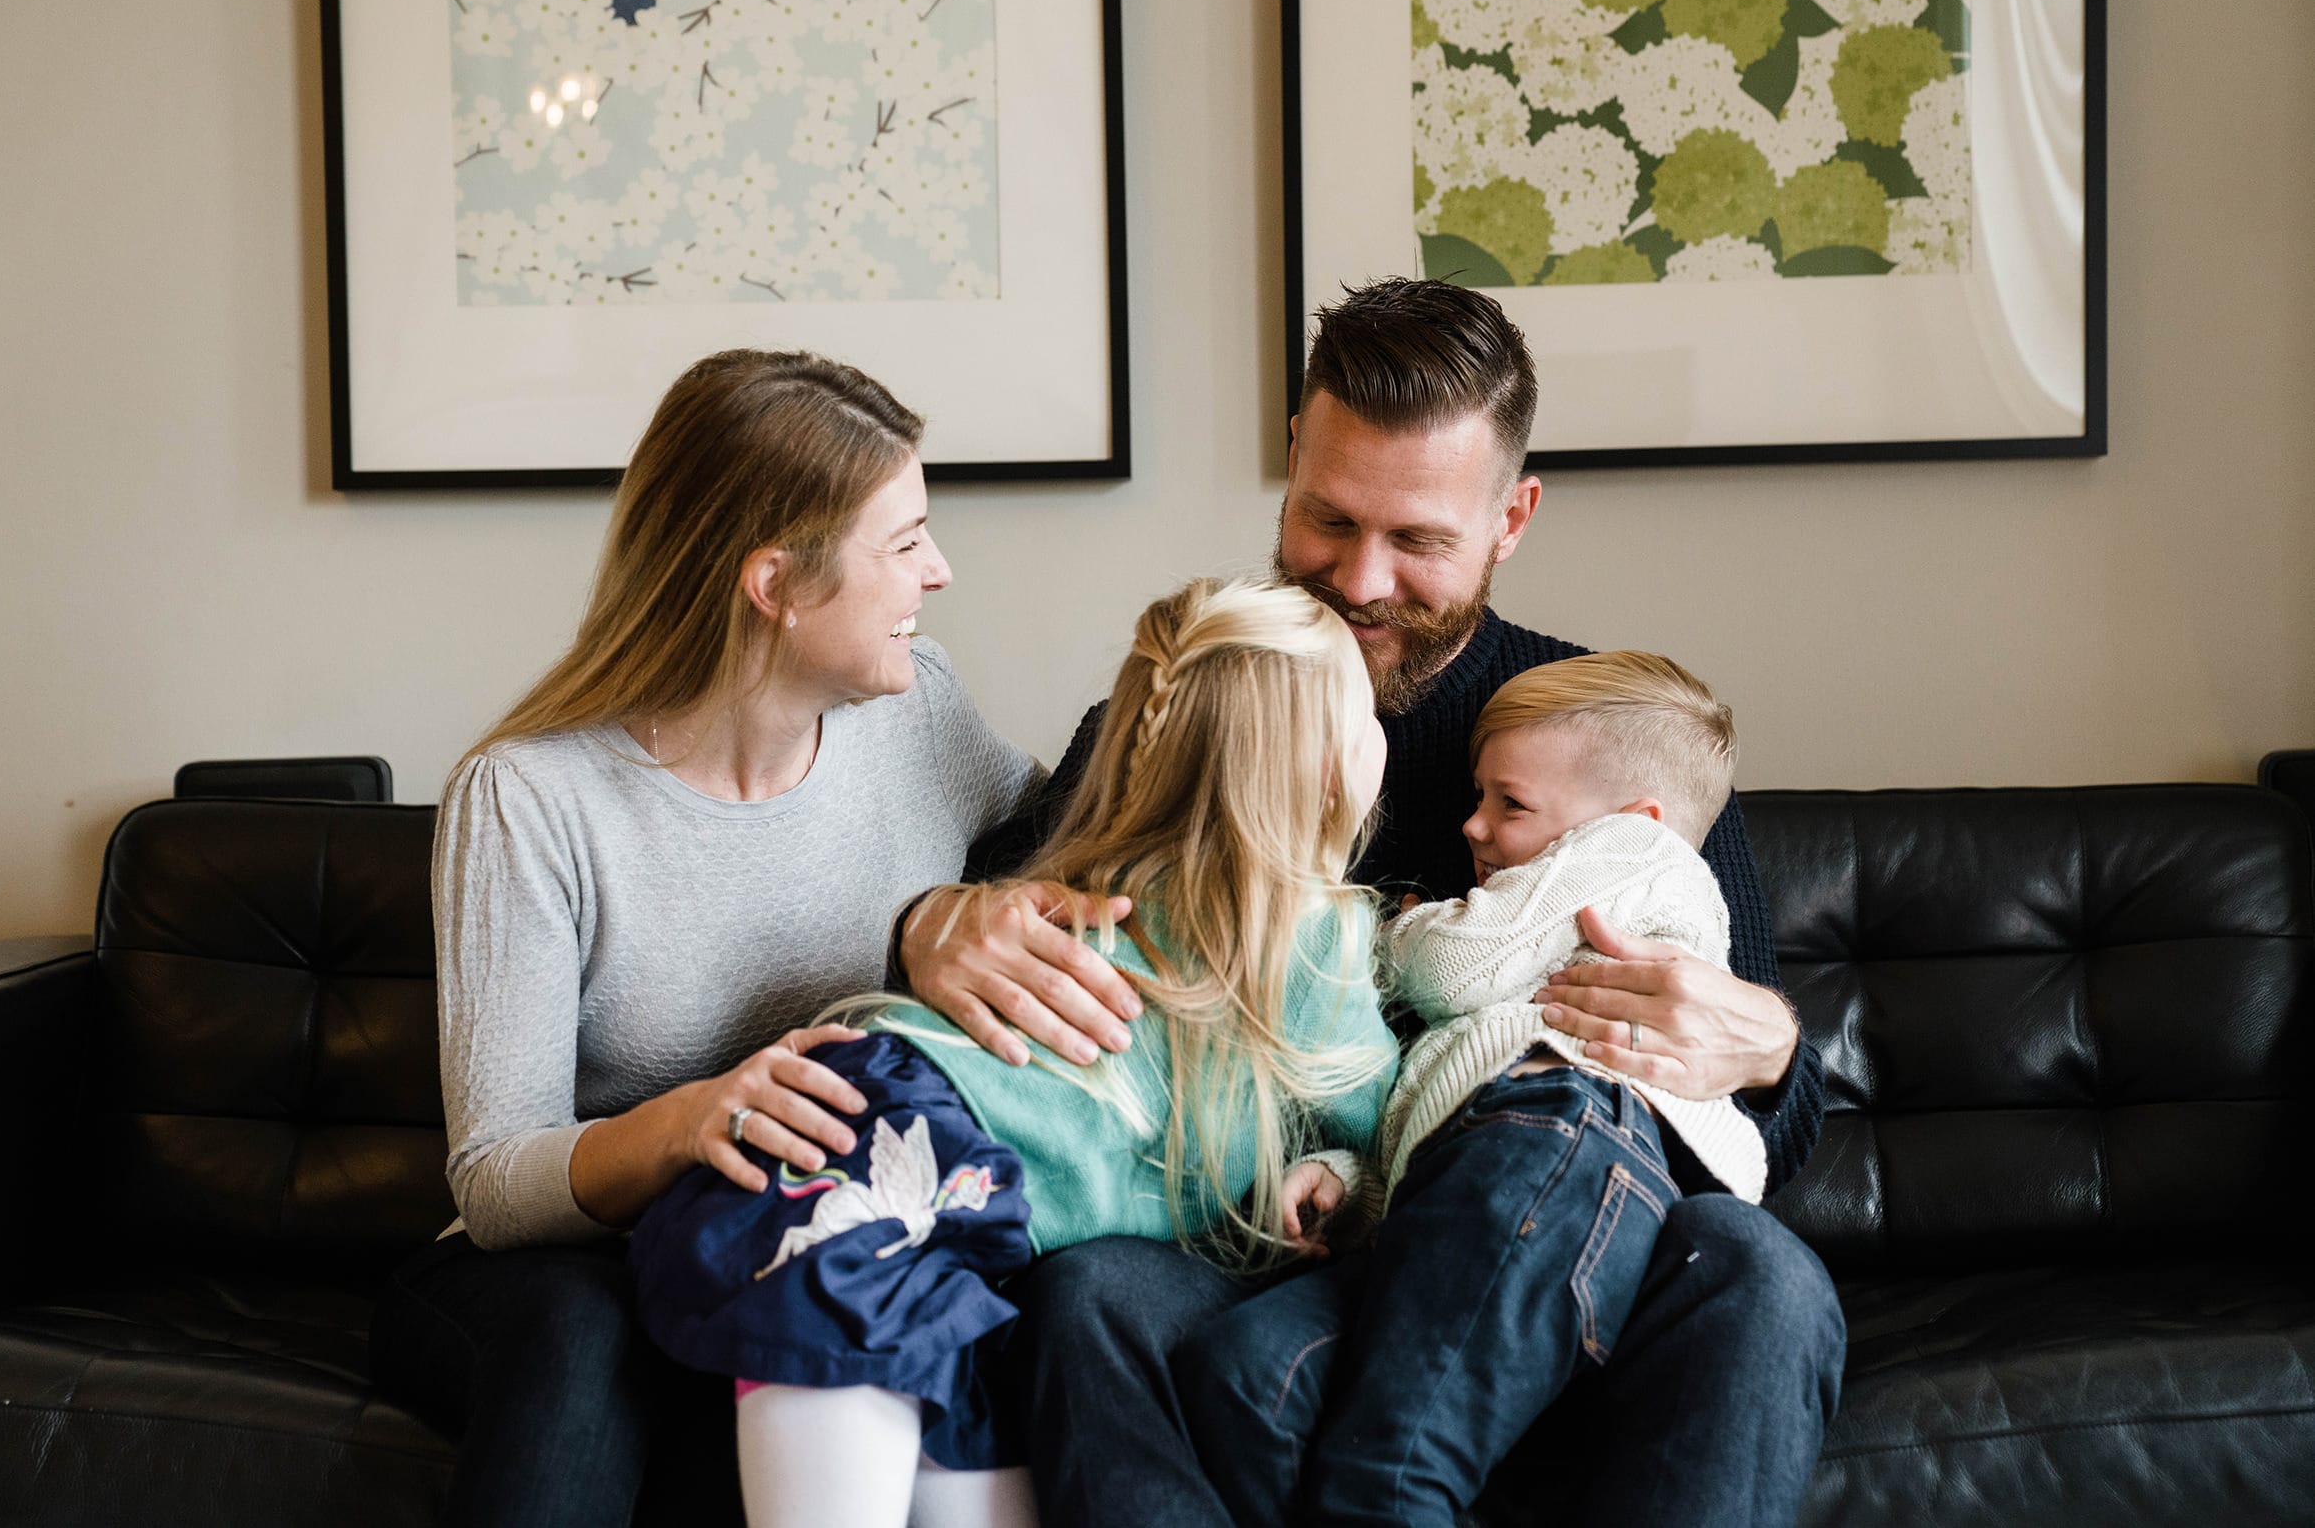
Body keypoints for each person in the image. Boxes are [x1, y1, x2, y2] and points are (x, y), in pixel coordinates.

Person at [895, 278, 1846, 1527]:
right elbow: (1013, 891)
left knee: (1762, 1276)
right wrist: (932, 924)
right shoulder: (1197, 697)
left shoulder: (1590, 739)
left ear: (1512, 518)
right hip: (1275, 1247)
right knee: (1092, 1297)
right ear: (1290, 459)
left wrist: (1770, 1050)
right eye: (1327, 519)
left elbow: (1775, 1122)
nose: (1359, 579)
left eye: (1419, 541)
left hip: (1540, 1242)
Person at [368, 349, 1044, 1528]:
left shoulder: (920, 712)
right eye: (904, 543)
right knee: (590, 1339)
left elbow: (1081, 848)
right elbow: (494, 1182)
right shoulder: (529, 797)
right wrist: (689, 1121)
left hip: (799, 1248)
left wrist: (946, 914)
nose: (937, 571)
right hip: (554, 1271)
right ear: (775, 580)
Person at [623, 576, 1401, 1528]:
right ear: (1328, 767)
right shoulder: (1322, 937)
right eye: (1366, 714)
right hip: (906, 1154)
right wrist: (1341, 1167)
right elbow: (1382, 1121)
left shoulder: (1098, 885)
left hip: (905, 1153)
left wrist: (1323, 1163)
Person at [1181, 649, 1766, 1526]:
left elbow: (1456, 970)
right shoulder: (1542, 955)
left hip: (1562, 1135)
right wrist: (1357, 1179)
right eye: (1480, 796)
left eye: (1511, 803)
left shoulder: (1638, 856)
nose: (1474, 827)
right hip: (1508, 1159)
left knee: (1391, 1473)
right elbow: (1449, 1103)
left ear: (1632, 819)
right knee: (1239, 1366)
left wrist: (1376, 930)